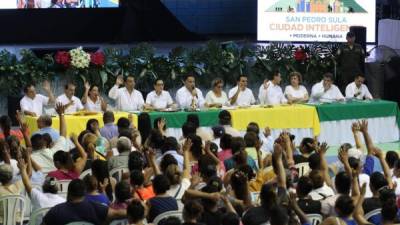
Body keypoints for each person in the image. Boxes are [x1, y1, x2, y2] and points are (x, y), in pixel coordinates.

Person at [42, 179, 126, 225]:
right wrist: (136, 208)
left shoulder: (56, 211)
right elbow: (117, 213)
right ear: (84, 193)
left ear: (69, 193)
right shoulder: (96, 207)